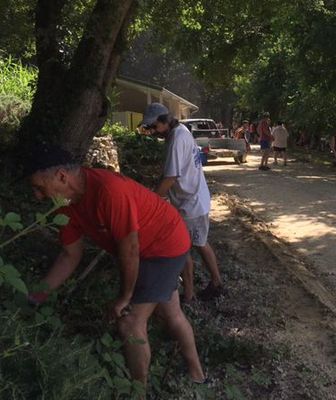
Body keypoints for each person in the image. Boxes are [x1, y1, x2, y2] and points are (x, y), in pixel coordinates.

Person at [25, 147, 205, 387]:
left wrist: (125, 297)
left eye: (39, 187)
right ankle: (197, 374)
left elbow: (129, 250)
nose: (37, 196)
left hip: (164, 245)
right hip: (148, 247)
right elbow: (70, 254)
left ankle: (136, 392)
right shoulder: (64, 204)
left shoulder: (109, 191)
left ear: (61, 177)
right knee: (170, 312)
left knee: (129, 322)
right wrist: (36, 295)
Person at [141, 103, 224, 303]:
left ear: (164, 121)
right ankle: (215, 283)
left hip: (191, 203)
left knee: (185, 248)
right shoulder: (179, 131)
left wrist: (151, 200)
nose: (153, 132)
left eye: (154, 127)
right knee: (200, 244)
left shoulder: (176, 139)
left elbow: (170, 177)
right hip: (192, 198)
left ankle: (190, 294)